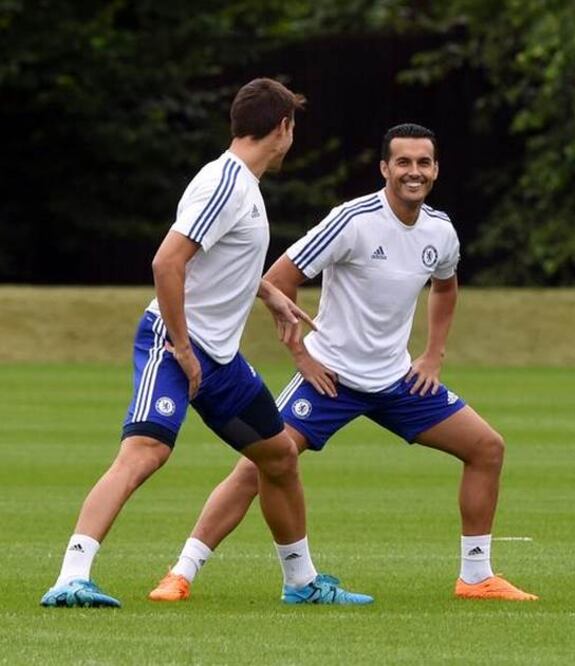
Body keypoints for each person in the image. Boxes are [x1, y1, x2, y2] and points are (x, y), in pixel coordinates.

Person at [148, 123, 537, 603]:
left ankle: (476, 578)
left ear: (435, 170)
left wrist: (433, 355)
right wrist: (302, 356)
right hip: (329, 380)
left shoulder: (441, 230)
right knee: (260, 464)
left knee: (487, 448)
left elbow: (445, 284)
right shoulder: (351, 220)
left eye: (423, 163)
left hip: (397, 381)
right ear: (384, 169)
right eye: (403, 162)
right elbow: (275, 279)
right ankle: (181, 574)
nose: (413, 172)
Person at [41, 78, 371, 608]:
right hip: (174, 348)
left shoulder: (242, 186)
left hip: (219, 361)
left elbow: (217, 258)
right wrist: (183, 347)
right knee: (145, 452)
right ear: (283, 128)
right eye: (294, 127)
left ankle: (301, 582)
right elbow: (166, 262)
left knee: (280, 455)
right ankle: (71, 576)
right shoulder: (226, 183)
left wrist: (267, 295)